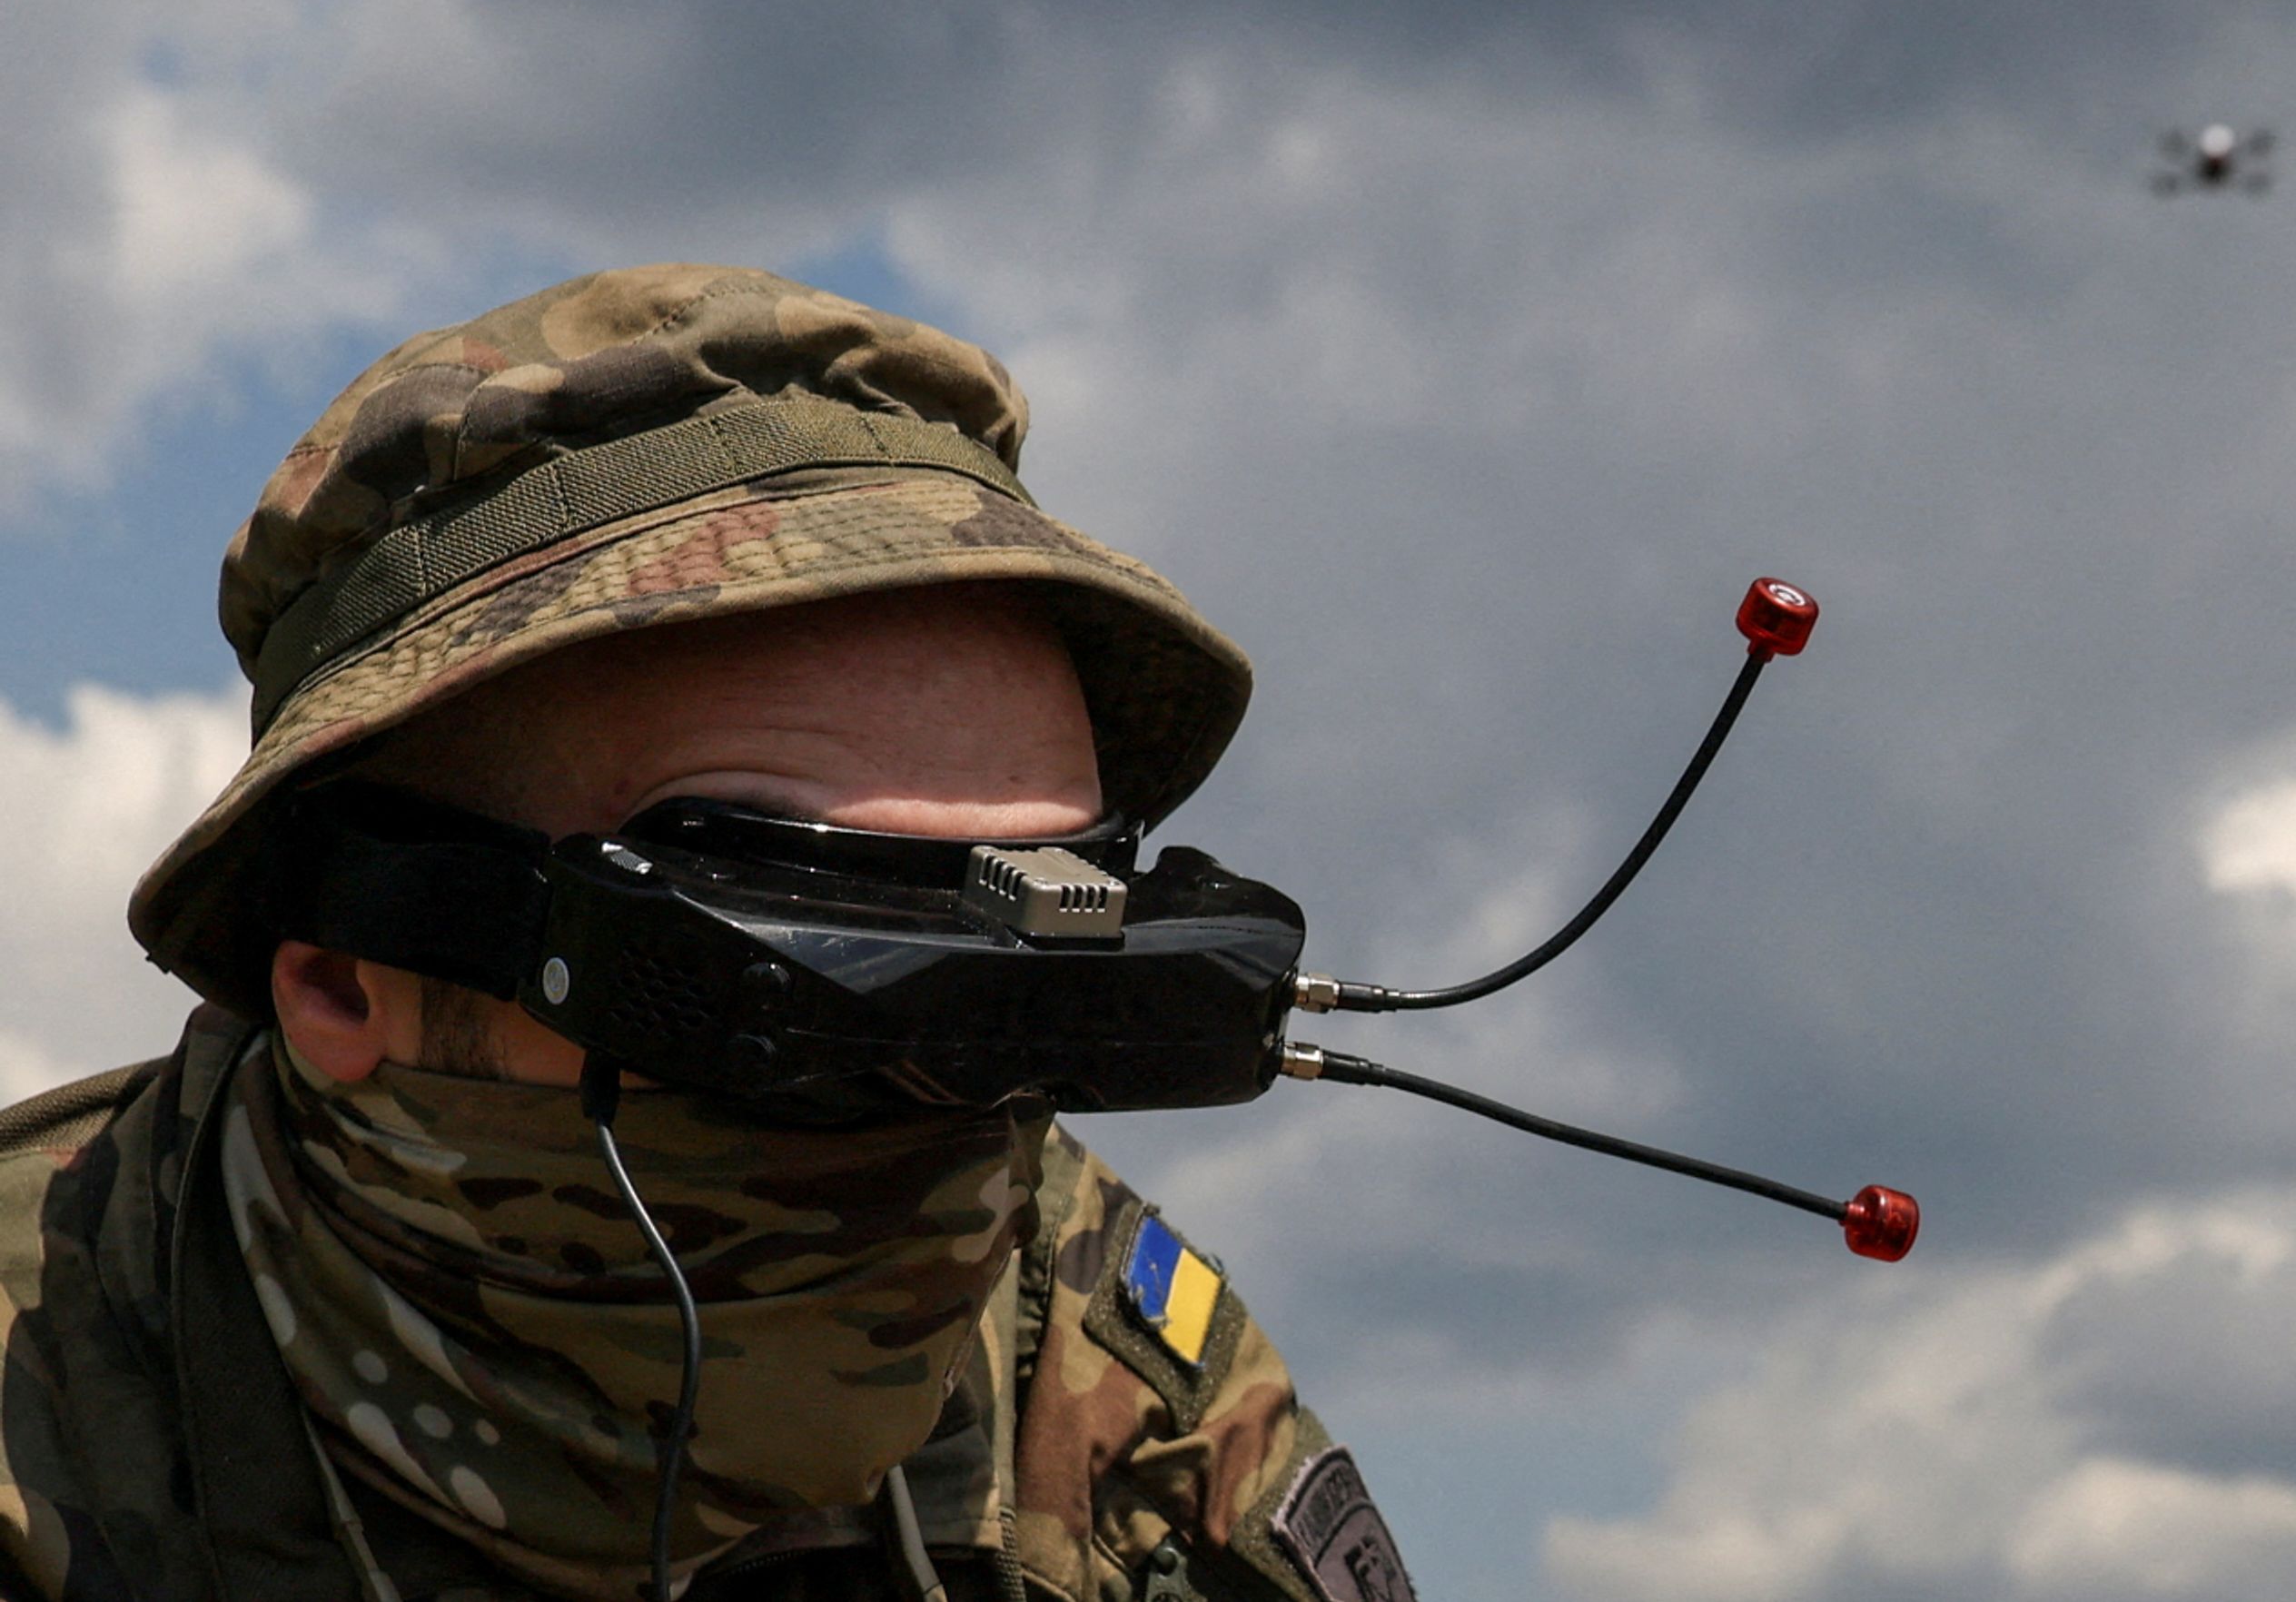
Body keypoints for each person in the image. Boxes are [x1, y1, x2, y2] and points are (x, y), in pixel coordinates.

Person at [0, 266, 1416, 1601]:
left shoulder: (1093, 1384)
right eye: (791, 991)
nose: (948, 1112)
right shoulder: (45, 1411)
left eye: (1027, 998)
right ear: (342, 976)